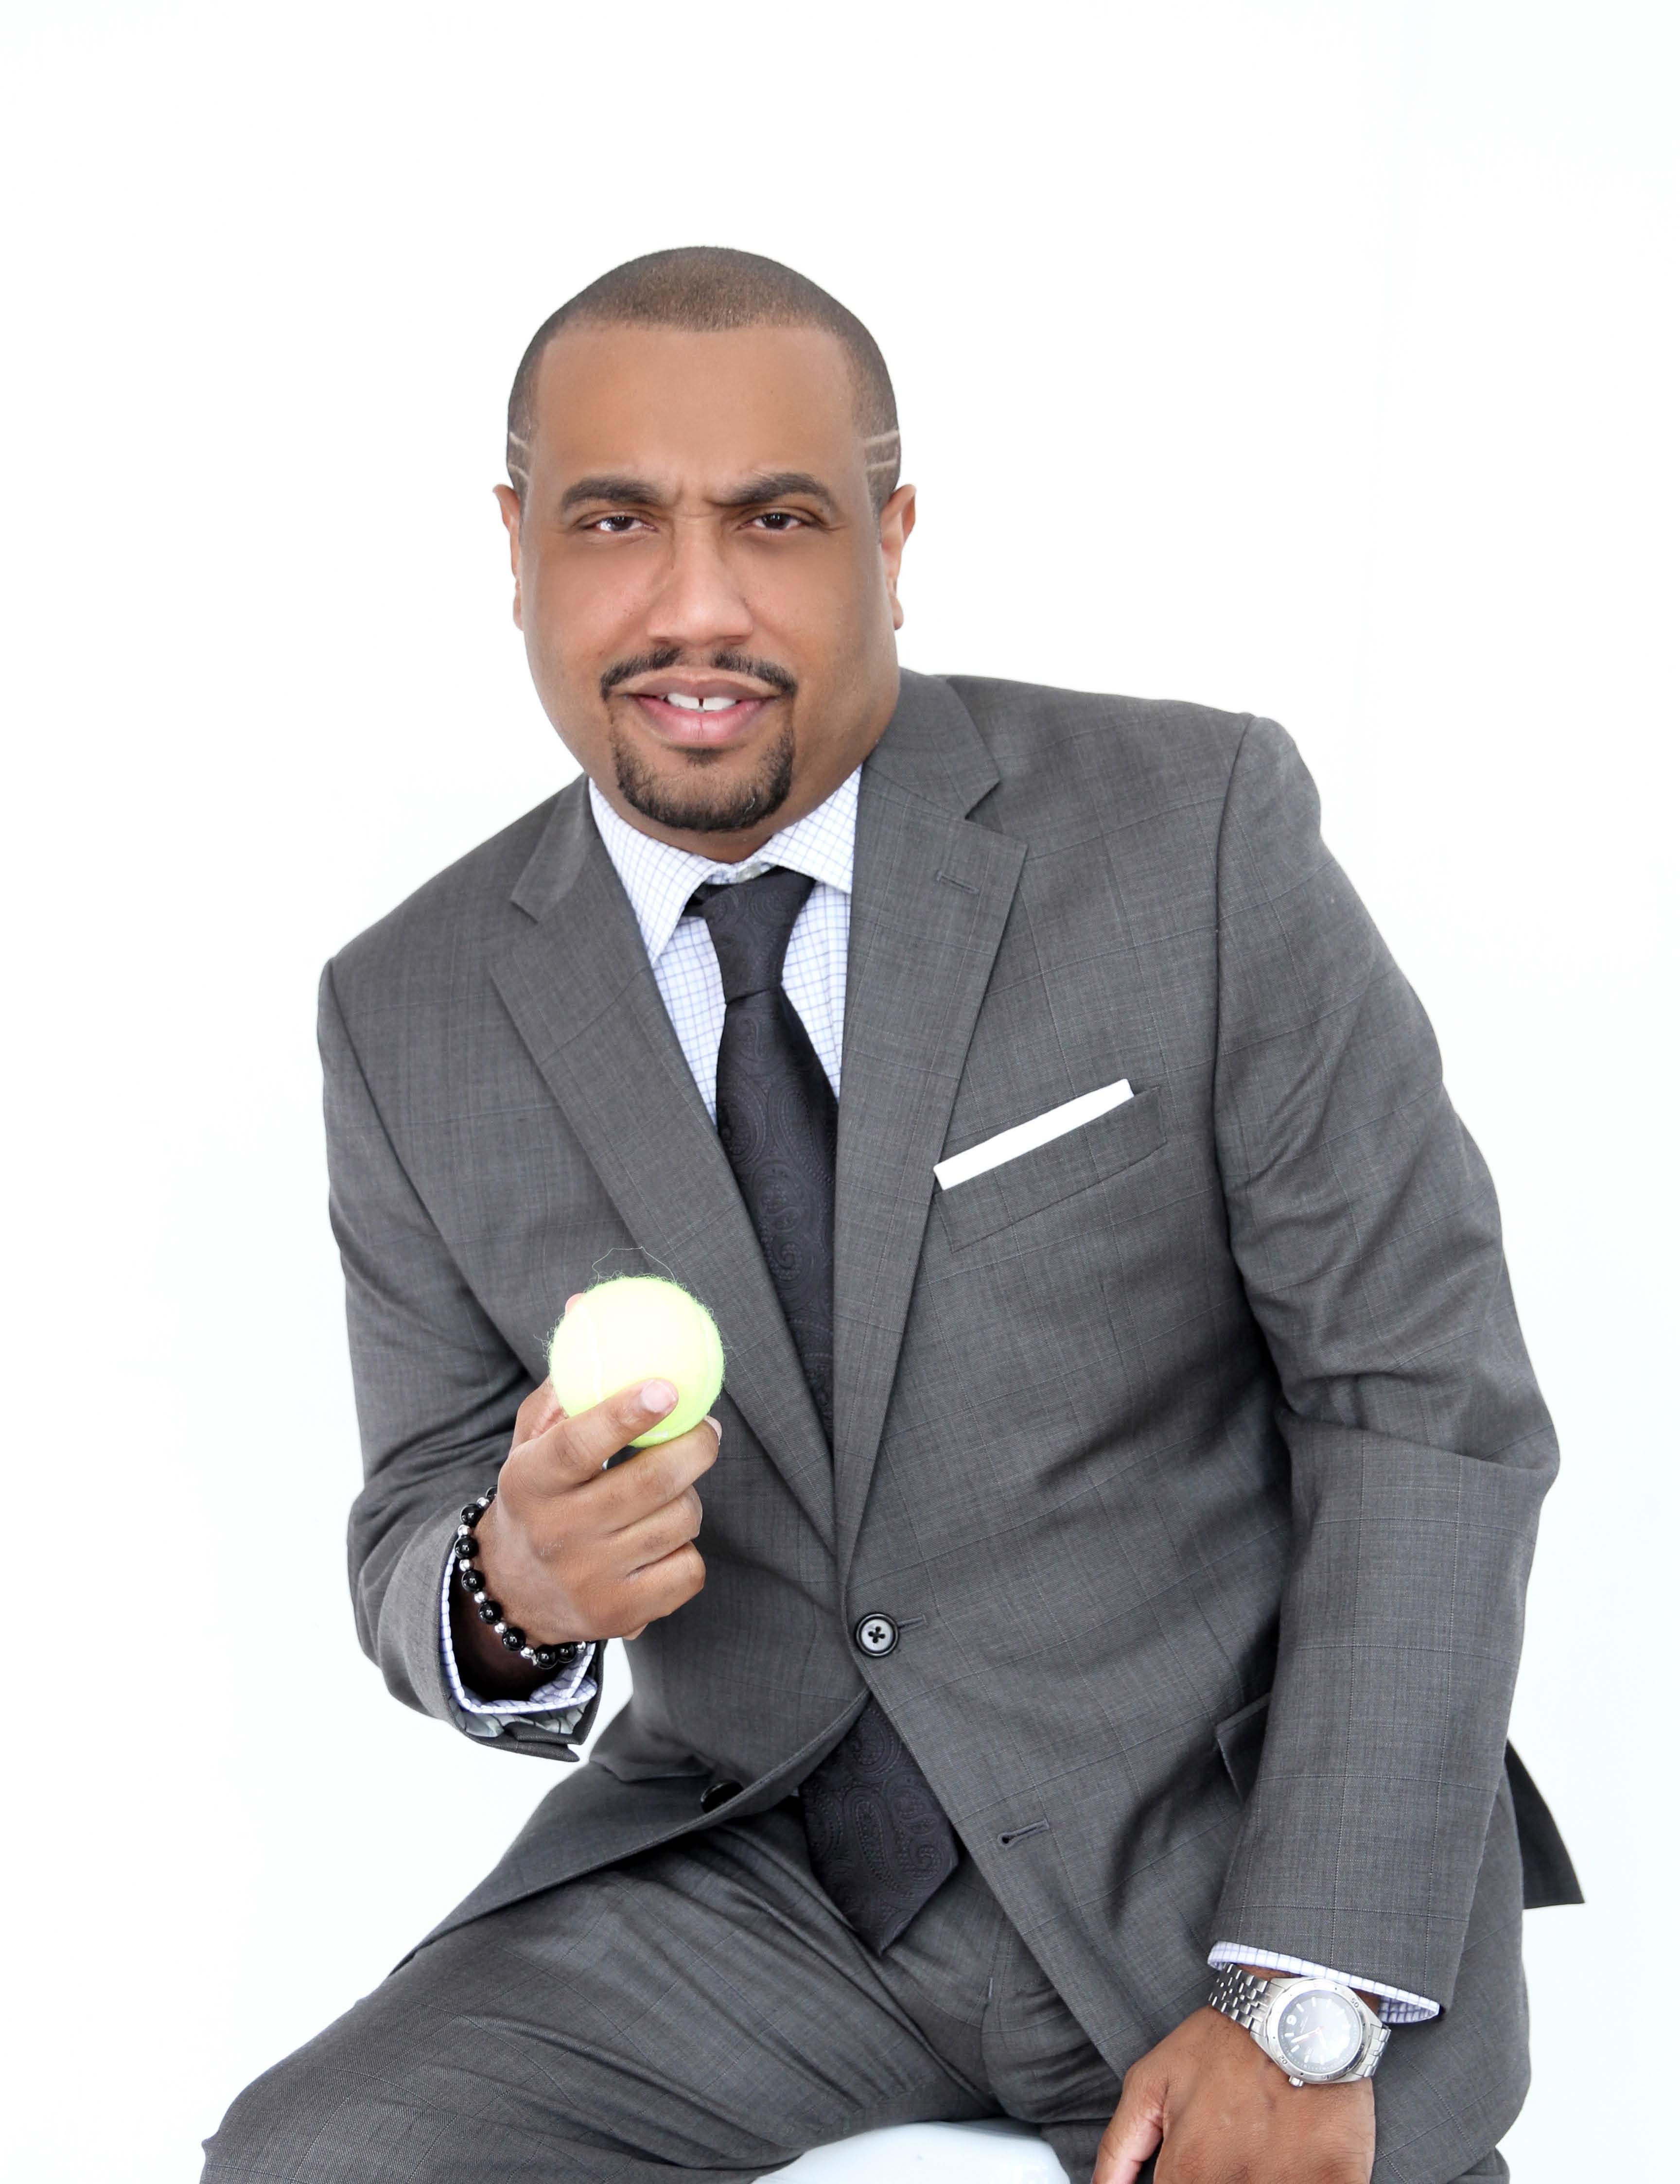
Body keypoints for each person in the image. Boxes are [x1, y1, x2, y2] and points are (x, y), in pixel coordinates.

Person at [204, 247, 1578, 2184]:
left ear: (893, 539)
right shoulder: (406, 1005)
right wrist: (511, 1585)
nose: (696, 605)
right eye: (615, 521)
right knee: (315, 2160)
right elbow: (416, 1510)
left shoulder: (1188, 828)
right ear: (516, 545)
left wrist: (1307, 1988)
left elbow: (1420, 1401)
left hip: (1205, 1857)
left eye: (776, 521)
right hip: (756, 1877)